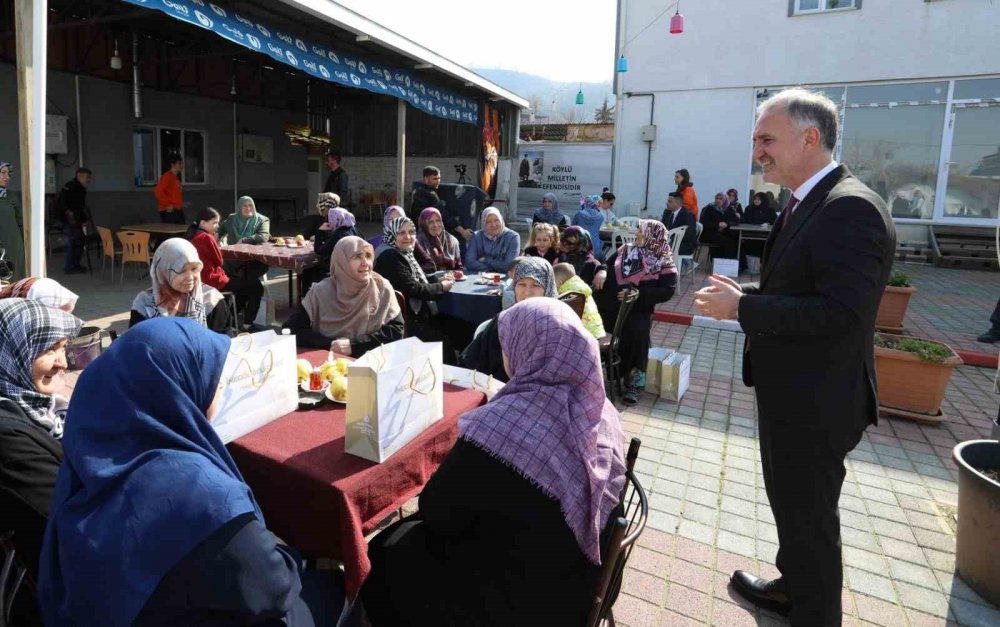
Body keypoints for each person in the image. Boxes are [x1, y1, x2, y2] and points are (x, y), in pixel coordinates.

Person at [693, 88, 896, 626]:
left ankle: (815, 613)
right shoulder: (809, 200)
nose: (758, 151)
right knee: (795, 511)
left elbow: (841, 312)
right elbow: (805, 284)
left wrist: (745, 308)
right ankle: (793, 588)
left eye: (767, 139)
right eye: (756, 139)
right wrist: (751, 293)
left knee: (810, 521)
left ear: (809, 138)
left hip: (818, 401)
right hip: (795, 395)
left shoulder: (849, 207)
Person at [38, 318, 340, 626]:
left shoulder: (87, 456)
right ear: (178, 386)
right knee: (334, 591)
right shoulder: (200, 494)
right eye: (214, 380)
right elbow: (274, 588)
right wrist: (287, 550)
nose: (218, 392)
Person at [360, 297, 626, 627]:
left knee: (386, 552)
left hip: (519, 603)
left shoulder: (501, 429)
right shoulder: (602, 413)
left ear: (527, 348)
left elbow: (437, 511)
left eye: (507, 343)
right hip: (581, 584)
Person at [0, 299, 81, 594]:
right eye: (49, 349)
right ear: (11, 353)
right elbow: (68, 515)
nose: (63, 362)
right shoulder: (7, 438)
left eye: (62, 347)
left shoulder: (46, 407)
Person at [594, 219, 677, 406]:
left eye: (641, 231)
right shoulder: (626, 249)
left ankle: (634, 384)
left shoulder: (663, 260)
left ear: (652, 236)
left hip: (638, 309)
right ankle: (614, 377)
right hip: (609, 307)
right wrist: (602, 271)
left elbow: (668, 290)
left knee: (637, 334)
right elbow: (605, 264)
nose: (637, 234)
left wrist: (638, 294)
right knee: (603, 334)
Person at [284, 237, 404, 354]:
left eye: (368, 256)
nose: (366, 263)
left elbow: (396, 331)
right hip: (329, 365)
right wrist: (331, 344)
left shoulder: (381, 287)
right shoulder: (321, 292)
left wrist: (354, 345)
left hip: (371, 363)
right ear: (342, 261)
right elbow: (292, 329)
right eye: (357, 257)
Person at [373, 217, 463, 364]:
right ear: (392, 234)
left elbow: (414, 280)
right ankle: (449, 379)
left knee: (460, 327)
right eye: (401, 232)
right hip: (402, 321)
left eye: (411, 232)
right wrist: (442, 287)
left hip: (415, 314)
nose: (408, 237)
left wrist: (437, 281)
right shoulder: (389, 256)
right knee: (444, 341)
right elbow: (414, 288)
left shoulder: (403, 252)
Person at [459, 257, 557, 382]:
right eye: (521, 284)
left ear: (547, 288)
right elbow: (470, 361)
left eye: (536, 285)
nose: (527, 292)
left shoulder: (557, 325)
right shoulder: (504, 321)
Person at [130, 238, 234, 335]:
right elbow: (137, 346)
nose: (190, 277)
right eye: (181, 270)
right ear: (163, 272)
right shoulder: (145, 305)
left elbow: (224, 345)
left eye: (194, 269)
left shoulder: (212, 301)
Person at [186, 207, 263, 327]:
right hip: (212, 279)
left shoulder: (193, 235)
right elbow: (219, 260)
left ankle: (231, 320)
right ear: (203, 223)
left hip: (201, 279)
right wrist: (219, 245)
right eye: (215, 223)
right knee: (256, 286)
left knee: (244, 285)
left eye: (218, 222)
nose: (217, 226)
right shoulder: (206, 237)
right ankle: (247, 323)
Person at [219, 195, 271, 283]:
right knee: (227, 270)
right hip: (233, 259)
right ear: (239, 207)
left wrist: (244, 240)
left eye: (250, 205)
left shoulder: (262, 220)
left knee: (246, 275)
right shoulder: (232, 219)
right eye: (245, 206)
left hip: (254, 259)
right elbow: (219, 229)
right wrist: (216, 236)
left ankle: (244, 288)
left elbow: (264, 236)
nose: (248, 208)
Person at [553, 262, 606, 340]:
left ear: (560, 282)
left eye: (554, 283)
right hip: (597, 330)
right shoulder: (580, 288)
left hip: (584, 334)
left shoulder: (567, 292)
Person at [55, 167, 93, 274]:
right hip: (70, 221)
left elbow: (79, 207)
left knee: (78, 243)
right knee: (72, 243)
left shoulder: (76, 187)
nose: (89, 180)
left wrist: (83, 219)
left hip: (74, 221)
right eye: (87, 177)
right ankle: (70, 267)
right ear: (80, 176)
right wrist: (74, 218)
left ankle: (75, 265)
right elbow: (69, 206)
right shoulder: (73, 188)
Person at [465, 207, 521, 273]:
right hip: (479, 278)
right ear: (484, 224)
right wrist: (494, 268)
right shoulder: (476, 236)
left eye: (496, 220)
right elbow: (469, 262)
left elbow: (509, 266)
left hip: (504, 279)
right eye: (488, 222)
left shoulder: (513, 237)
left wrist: (485, 260)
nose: (493, 225)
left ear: (501, 220)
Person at [417, 207, 464, 272]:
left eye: (438, 221)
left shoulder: (452, 241)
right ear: (423, 224)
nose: (435, 225)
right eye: (430, 222)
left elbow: (459, 267)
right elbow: (416, 270)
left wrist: (457, 274)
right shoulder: (416, 242)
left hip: (451, 280)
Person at [0, 160, 25, 280]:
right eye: (3, 172)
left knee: (14, 279)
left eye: (8, 173)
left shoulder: (11, 196)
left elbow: (20, 221)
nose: (7, 177)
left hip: (13, 245)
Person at [699, 192, 741, 258]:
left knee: (736, 240)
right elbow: (704, 223)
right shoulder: (709, 208)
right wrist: (717, 225)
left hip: (722, 232)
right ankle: (721, 263)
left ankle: (734, 264)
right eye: (717, 198)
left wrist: (726, 225)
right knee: (728, 242)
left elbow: (736, 221)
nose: (718, 200)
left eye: (721, 199)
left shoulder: (728, 208)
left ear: (725, 200)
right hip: (708, 233)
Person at [661, 191, 698, 256]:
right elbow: (662, 227)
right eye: (667, 201)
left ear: (678, 203)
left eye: (670, 202)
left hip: (683, 244)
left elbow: (689, 234)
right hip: (669, 242)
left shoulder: (688, 215)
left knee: (661, 249)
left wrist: (671, 240)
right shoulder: (667, 212)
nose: (667, 203)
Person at [571, 194, 606, 261]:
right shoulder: (600, 217)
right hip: (597, 251)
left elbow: (571, 230)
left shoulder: (579, 214)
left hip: (580, 250)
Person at [154, 153, 185, 224]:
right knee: (171, 233)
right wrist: (167, 204)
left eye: (182, 163)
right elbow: (158, 191)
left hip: (177, 210)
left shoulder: (176, 178)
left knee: (182, 231)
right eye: (179, 163)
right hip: (169, 211)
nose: (182, 166)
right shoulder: (167, 176)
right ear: (172, 164)